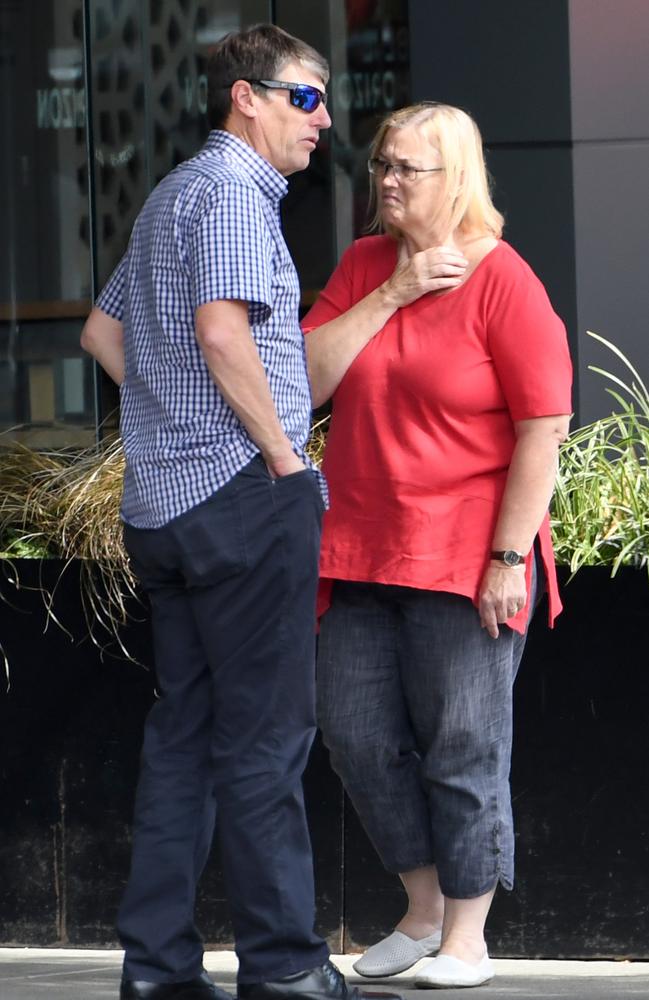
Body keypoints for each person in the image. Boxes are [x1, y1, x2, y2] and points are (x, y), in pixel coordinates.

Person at [81, 24, 402, 1000]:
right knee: (266, 737)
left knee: (185, 735)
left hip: (170, 507)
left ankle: (159, 968)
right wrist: (275, 452)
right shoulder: (226, 196)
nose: (322, 121)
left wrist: (174, 417)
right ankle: (284, 964)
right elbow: (221, 330)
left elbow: (103, 332)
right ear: (246, 99)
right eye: (305, 98)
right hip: (240, 500)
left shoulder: (175, 194)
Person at [302, 102, 573, 989]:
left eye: (405, 169)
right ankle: (420, 911)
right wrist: (396, 291)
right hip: (360, 548)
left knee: (464, 743)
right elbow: (305, 381)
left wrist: (507, 559)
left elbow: (544, 430)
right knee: (354, 734)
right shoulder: (366, 264)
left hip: (465, 556)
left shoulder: (505, 282)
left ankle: (467, 936)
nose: (385, 180)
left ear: (455, 177)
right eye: (380, 163)